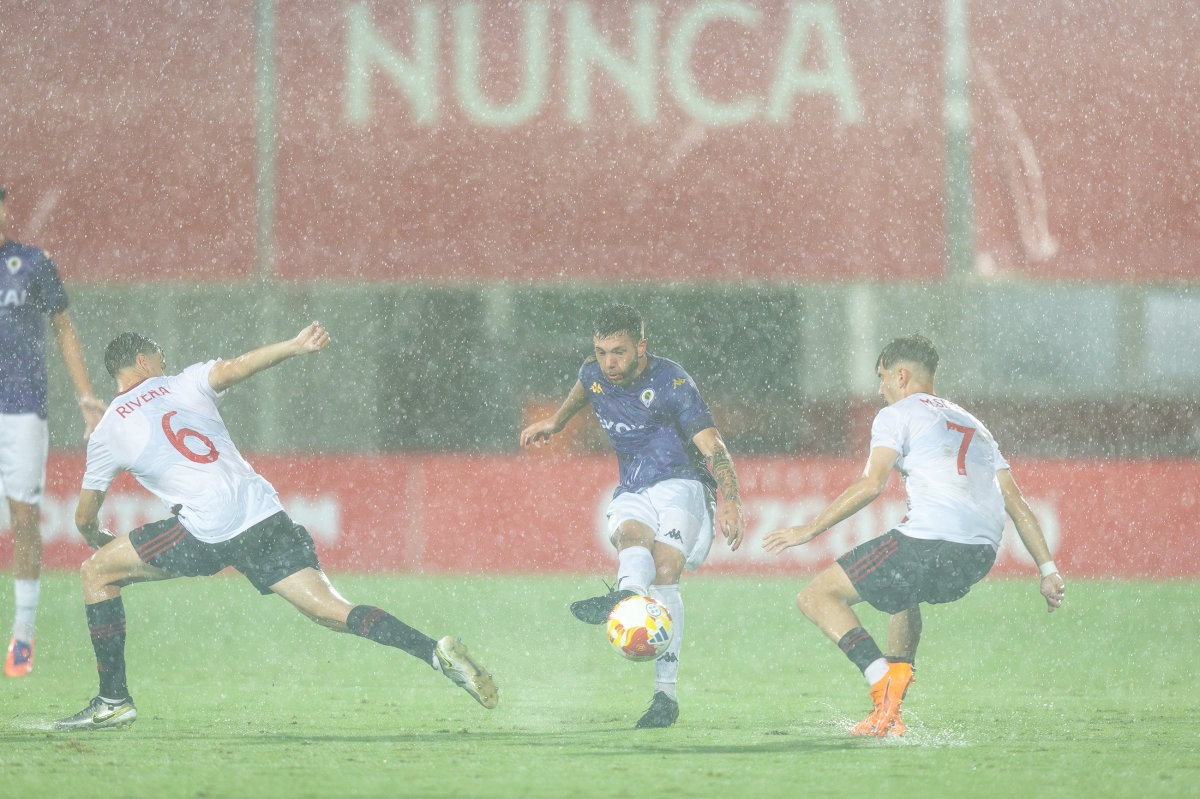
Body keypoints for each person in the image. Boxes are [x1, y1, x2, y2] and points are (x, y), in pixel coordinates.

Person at [54, 323, 497, 730]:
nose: (164, 363)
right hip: (263, 511)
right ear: (145, 362)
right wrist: (294, 346)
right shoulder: (184, 382)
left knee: (95, 571)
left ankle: (113, 700)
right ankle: (433, 652)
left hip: (210, 526)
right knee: (329, 609)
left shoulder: (108, 428)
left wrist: (99, 543)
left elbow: (84, 517)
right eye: (160, 356)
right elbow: (237, 367)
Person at [763, 334, 1065, 737]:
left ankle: (880, 679)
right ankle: (890, 715)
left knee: (816, 596)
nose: (879, 388)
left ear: (901, 375)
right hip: (977, 556)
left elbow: (871, 484)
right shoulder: (976, 425)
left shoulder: (897, 413)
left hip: (931, 540)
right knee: (903, 594)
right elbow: (1017, 503)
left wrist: (810, 529)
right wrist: (1048, 570)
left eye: (882, 376)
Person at [520, 303, 745, 728]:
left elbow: (713, 445)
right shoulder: (593, 373)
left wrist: (731, 498)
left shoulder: (672, 381)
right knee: (629, 537)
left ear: (641, 346)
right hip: (633, 486)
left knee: (664, 570)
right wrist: (556, 421)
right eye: (601, 351)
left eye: (619, 352)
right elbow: (583, 388)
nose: (609, 362)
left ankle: (666, 693)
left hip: (684, 483)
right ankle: (626, 596)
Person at [0, 184, 108, 678]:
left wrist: (86, 396)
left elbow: (63, 327)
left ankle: (22, 633)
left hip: (21, 409)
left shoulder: (34, 263)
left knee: (23, 518)